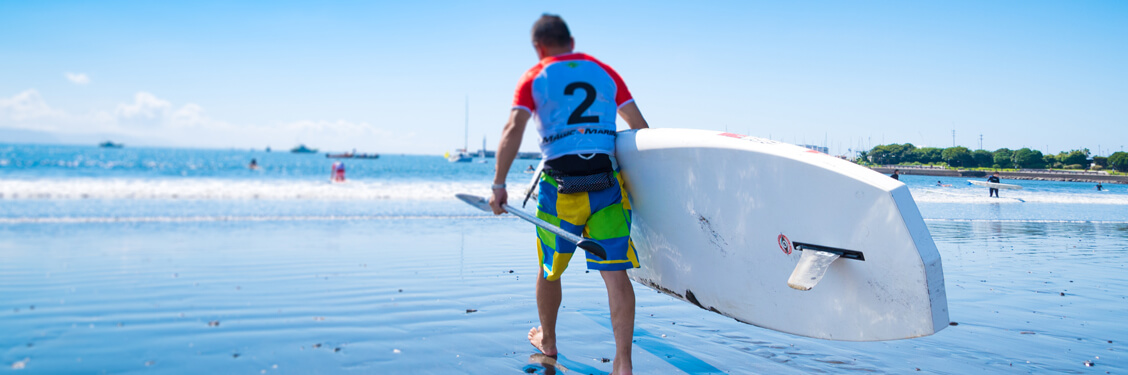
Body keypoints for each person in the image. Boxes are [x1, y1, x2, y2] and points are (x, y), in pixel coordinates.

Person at [488, 14, 649, 375]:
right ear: (571, 42)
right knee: (616, 273)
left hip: (560, 190)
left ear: (538, 47)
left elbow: (514, 128)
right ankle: (623, 363)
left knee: (550, 270)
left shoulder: (534, 76)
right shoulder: (606, 72)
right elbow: (639, 128)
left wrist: (499, 184)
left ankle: (549, 340)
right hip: (607, 186)